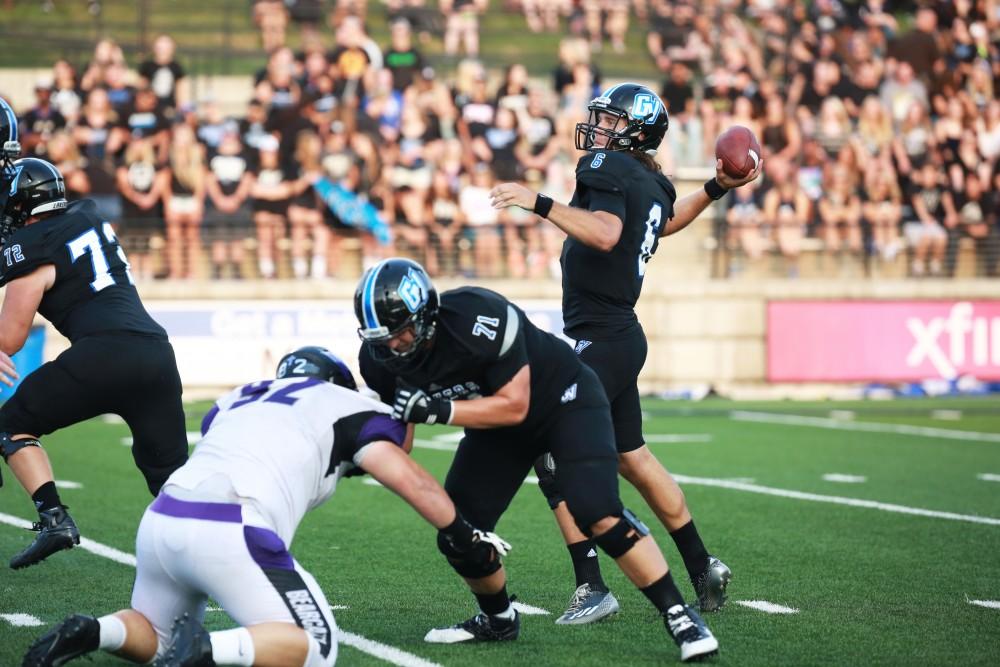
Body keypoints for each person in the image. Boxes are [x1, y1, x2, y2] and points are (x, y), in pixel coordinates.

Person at [23, 346, 507, 667]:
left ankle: (94, 632)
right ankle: (208, 648)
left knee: (156, 632)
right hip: (232, 523)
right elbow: (401, 468)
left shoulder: (236, 399)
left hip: (164, 518)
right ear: (337, 382)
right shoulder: (342, 403)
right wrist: (460, 529)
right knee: (317, 646)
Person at [355, 257, 719, 662]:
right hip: (498, 431)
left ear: (425, 315)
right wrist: (361, 450)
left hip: (564, 401)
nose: (392, 346)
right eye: (380, 337)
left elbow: (516, 405)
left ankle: (679, 615)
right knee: (456, 529)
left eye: (401, 334)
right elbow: (401, 436)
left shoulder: (478, 316)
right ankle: (498, 619)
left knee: (597, 511)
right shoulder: (378, 362)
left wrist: (439, 410)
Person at [489, 83, 760, 624]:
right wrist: (715, 187)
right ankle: (703, 566)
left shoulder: (606, 166)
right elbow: (666, 222)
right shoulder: (652, 181)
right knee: (631, 457)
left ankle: (592, 586)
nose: (598, 128)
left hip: (603, 336)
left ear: (634, 130)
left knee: (548, 448)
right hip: (618, 335)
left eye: (609, 120)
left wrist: (539, 202)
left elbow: (610, 234)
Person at [0, 158, 189, 570]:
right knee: (172, 480)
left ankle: (54, 519)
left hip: (102, 354)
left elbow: (9, 339)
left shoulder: (33, 247)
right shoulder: (86, 215)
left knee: (11, 424)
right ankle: (220, 548)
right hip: (156, 353)